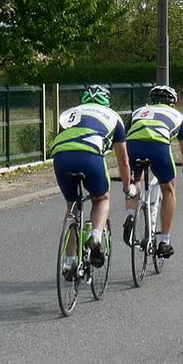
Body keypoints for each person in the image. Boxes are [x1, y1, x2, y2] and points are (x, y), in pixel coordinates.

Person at [50, 85, 134, 276]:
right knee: (102, 198)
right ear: (108, 102)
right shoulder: (114, 117)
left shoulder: (71, 112)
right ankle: (96, 235)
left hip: (61, 157)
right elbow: (123, 161)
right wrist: (127, 187)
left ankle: (69, 262)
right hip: (90, 156)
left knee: (72, 207)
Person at [123, 85, 183, 259]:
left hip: (134, 145)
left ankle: (131, 216)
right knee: (168, 189)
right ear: (173, 103)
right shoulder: (179, 116)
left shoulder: (137, 112)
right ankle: (164, 241)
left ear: (152, 100)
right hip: (158, 147)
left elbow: (123, 138)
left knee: (135, 180)